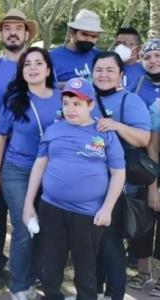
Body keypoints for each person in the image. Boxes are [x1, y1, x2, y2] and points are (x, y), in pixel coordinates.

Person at [23, 77, 126, 300]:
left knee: (86, 271)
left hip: (88, 214)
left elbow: (118, 173)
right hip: (52, 208)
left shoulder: (104, 132)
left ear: (90, 105)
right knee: (50, 267)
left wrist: (107, 209)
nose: (70, 109)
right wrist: (28, 203)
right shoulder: (53, 130)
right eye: (66, 103)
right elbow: (40, 165)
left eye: (77, 103)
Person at [0, 47, 62, 299]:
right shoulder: (14, 99)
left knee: (43, 228)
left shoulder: (62, 97)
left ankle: (32, 279)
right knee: (24, 226)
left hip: (52, 172)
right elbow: (0, 136)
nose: (32, 68)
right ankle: (18, 286)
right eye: (27, 64)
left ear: (48, 69)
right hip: (17, 170)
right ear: (21, 71)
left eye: (38, 63)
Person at [0, 8, 38, 284]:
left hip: (36, 155)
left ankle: (33, 265)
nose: (13, 32)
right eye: (7, 27)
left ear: (26, 34)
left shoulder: (38, 67)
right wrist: (10, 129)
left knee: (34, 210)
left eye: (18, 27)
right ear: (1, 34)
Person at [91, 51, 151, 300]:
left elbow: (143, 138)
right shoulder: (84, 98)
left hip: (119, 182)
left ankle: (114, 294)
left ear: (120, 75)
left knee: (111, 242)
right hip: (89, 181)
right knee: (93, 242)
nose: (103, 75)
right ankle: (94, 290)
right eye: (99, 70)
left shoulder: (130, 101)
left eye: (110, 70)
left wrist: (116, 125)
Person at [126, 38, 160, 296]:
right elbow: (151, 145)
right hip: (144, 159)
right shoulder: (137, 85)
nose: (153, 61)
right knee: (143, 216)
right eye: (148, 57)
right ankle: (143, 272)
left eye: (158, 55)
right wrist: (153, 184)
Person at [50, 9, 103, 86]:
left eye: (93, 36)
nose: (89, 39)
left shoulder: (100, 57)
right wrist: (75, 85)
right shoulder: (52, 57)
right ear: (72, 33)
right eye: (84, 34)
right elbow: (44, 87)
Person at [114, 27, 145, 92]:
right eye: (118, 43)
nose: (121, 47)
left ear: (138, 49)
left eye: (126, 44)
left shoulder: (146, 70)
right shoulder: (106, 68)